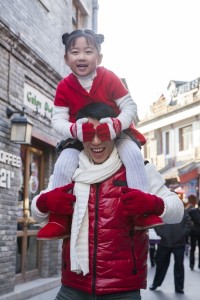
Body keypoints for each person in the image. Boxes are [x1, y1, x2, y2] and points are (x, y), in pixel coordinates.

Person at [31, 103, 184, 299]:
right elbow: (38, 214)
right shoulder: (69, 171)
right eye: (88, 135)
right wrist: (44, 203)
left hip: (122, 290)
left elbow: (177, 211)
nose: (95, 142)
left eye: (102, 134)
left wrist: (154, 204)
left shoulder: (137, 170)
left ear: (114, 133)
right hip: (73, 286)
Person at [45, 28, 155, 239]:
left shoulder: (109, 77)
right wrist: (73, 130)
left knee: (132, 155)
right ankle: (58, 218)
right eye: (75, 52)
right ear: (66, 59)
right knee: (63, 163)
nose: (82, 57)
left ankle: (141, 212)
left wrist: (116, 124)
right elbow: (57, 119)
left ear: (99, 57)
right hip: (81, 135)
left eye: (88, 51)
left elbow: (129, 107)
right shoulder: (64, 86)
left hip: (114, 132)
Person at [149, 210, 192, 294]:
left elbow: (188, 224)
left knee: (179, 266)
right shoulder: (163, 210)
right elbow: (156, 222)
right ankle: (156, 283)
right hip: (164, 242)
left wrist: (182, 234)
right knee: (161, 264)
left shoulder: (182, 211)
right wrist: (161, 233)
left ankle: (179, 288)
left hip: (179, 243)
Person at [188, 199, 200, 270]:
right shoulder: (193, 211)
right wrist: (191, 226)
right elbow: (188, 219)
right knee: (192, 249)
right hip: (193, 233)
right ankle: (191, 264)